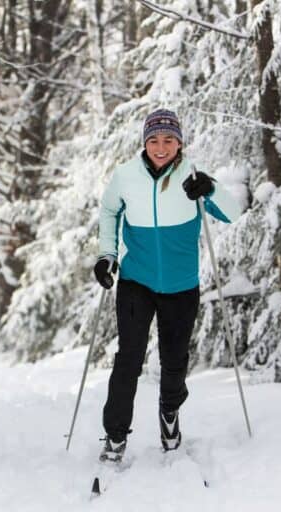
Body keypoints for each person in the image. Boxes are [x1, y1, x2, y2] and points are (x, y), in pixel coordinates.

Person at [93, 109, 241, 462]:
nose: (161, 147)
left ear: (180, 143)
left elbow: (232, 213)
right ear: (145, 142)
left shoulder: (192, 176)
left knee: (174, 361)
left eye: (168, 140)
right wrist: (106, 254)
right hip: (136, 282)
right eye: (154, 140)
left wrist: (211, 189)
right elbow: (109, 211)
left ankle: (170, 415)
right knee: (128, 359)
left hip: (180, 284)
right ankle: (115, 436)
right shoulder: (126, 176)